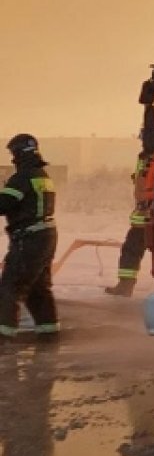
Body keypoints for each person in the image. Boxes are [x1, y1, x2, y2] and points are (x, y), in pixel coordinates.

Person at [0, 134, 59, 346]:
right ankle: (48, 335)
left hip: (29, 238)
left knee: (9, 287)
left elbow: (4, 203)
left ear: (18, 152)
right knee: (37, 288)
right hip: (45, 236)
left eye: (12, 154)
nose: (12, 159)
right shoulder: (41, 175)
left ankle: (3, 337)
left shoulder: (22, 177)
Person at [105, 126, 154, 297]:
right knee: (131, 250)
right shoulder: (147, 158)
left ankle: (126, 286)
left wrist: (151, 206)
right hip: (144, 215)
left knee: (136, 250)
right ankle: (125, 285)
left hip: (153, 215)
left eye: (143, 139)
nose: (141, 142)